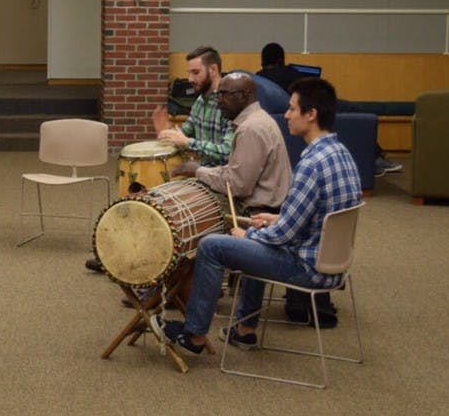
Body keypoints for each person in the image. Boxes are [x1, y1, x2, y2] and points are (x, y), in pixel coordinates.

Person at [150, 77, 363, 356]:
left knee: (213, 246)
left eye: (292, 109)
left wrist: (249, 234)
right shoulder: (340, 153)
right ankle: (245, 330)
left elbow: (281, 237)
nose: (286, 114)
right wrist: (274, 220)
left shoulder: (312, 164)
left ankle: (195, 335)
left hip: (307, 268)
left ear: (311, 115)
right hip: (331, 263)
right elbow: (317, 216)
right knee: (257, 236)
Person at [88, 45, 234, 273]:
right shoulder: (200, 102)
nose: (190, 78)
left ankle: (153, 274)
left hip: (220, 183)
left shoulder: (228, 105)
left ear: (213, 70)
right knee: (148, 198)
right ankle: (119, 253)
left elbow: (227, 151)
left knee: (165, 211)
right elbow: (185, 133)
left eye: (196, 72)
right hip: (199, 176)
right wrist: (167, 133)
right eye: (189, 72)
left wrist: (187, 143)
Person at [257, 41, 401, 177]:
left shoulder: (258, 78)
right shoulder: (290, 72)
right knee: (356, 110)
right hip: (312, 104)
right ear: (280, 59)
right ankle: (375, 159)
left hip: (294, 109)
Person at [173, 72, 292, 216]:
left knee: (185, 211)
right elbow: (236, 171)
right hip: (262, 208)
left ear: (244, 95)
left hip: (256, 215)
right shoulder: (260, 118)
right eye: (218, 95)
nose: (219, 101)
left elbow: (237, 186)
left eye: (224, 94)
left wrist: (197, 171)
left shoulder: (250, 129)